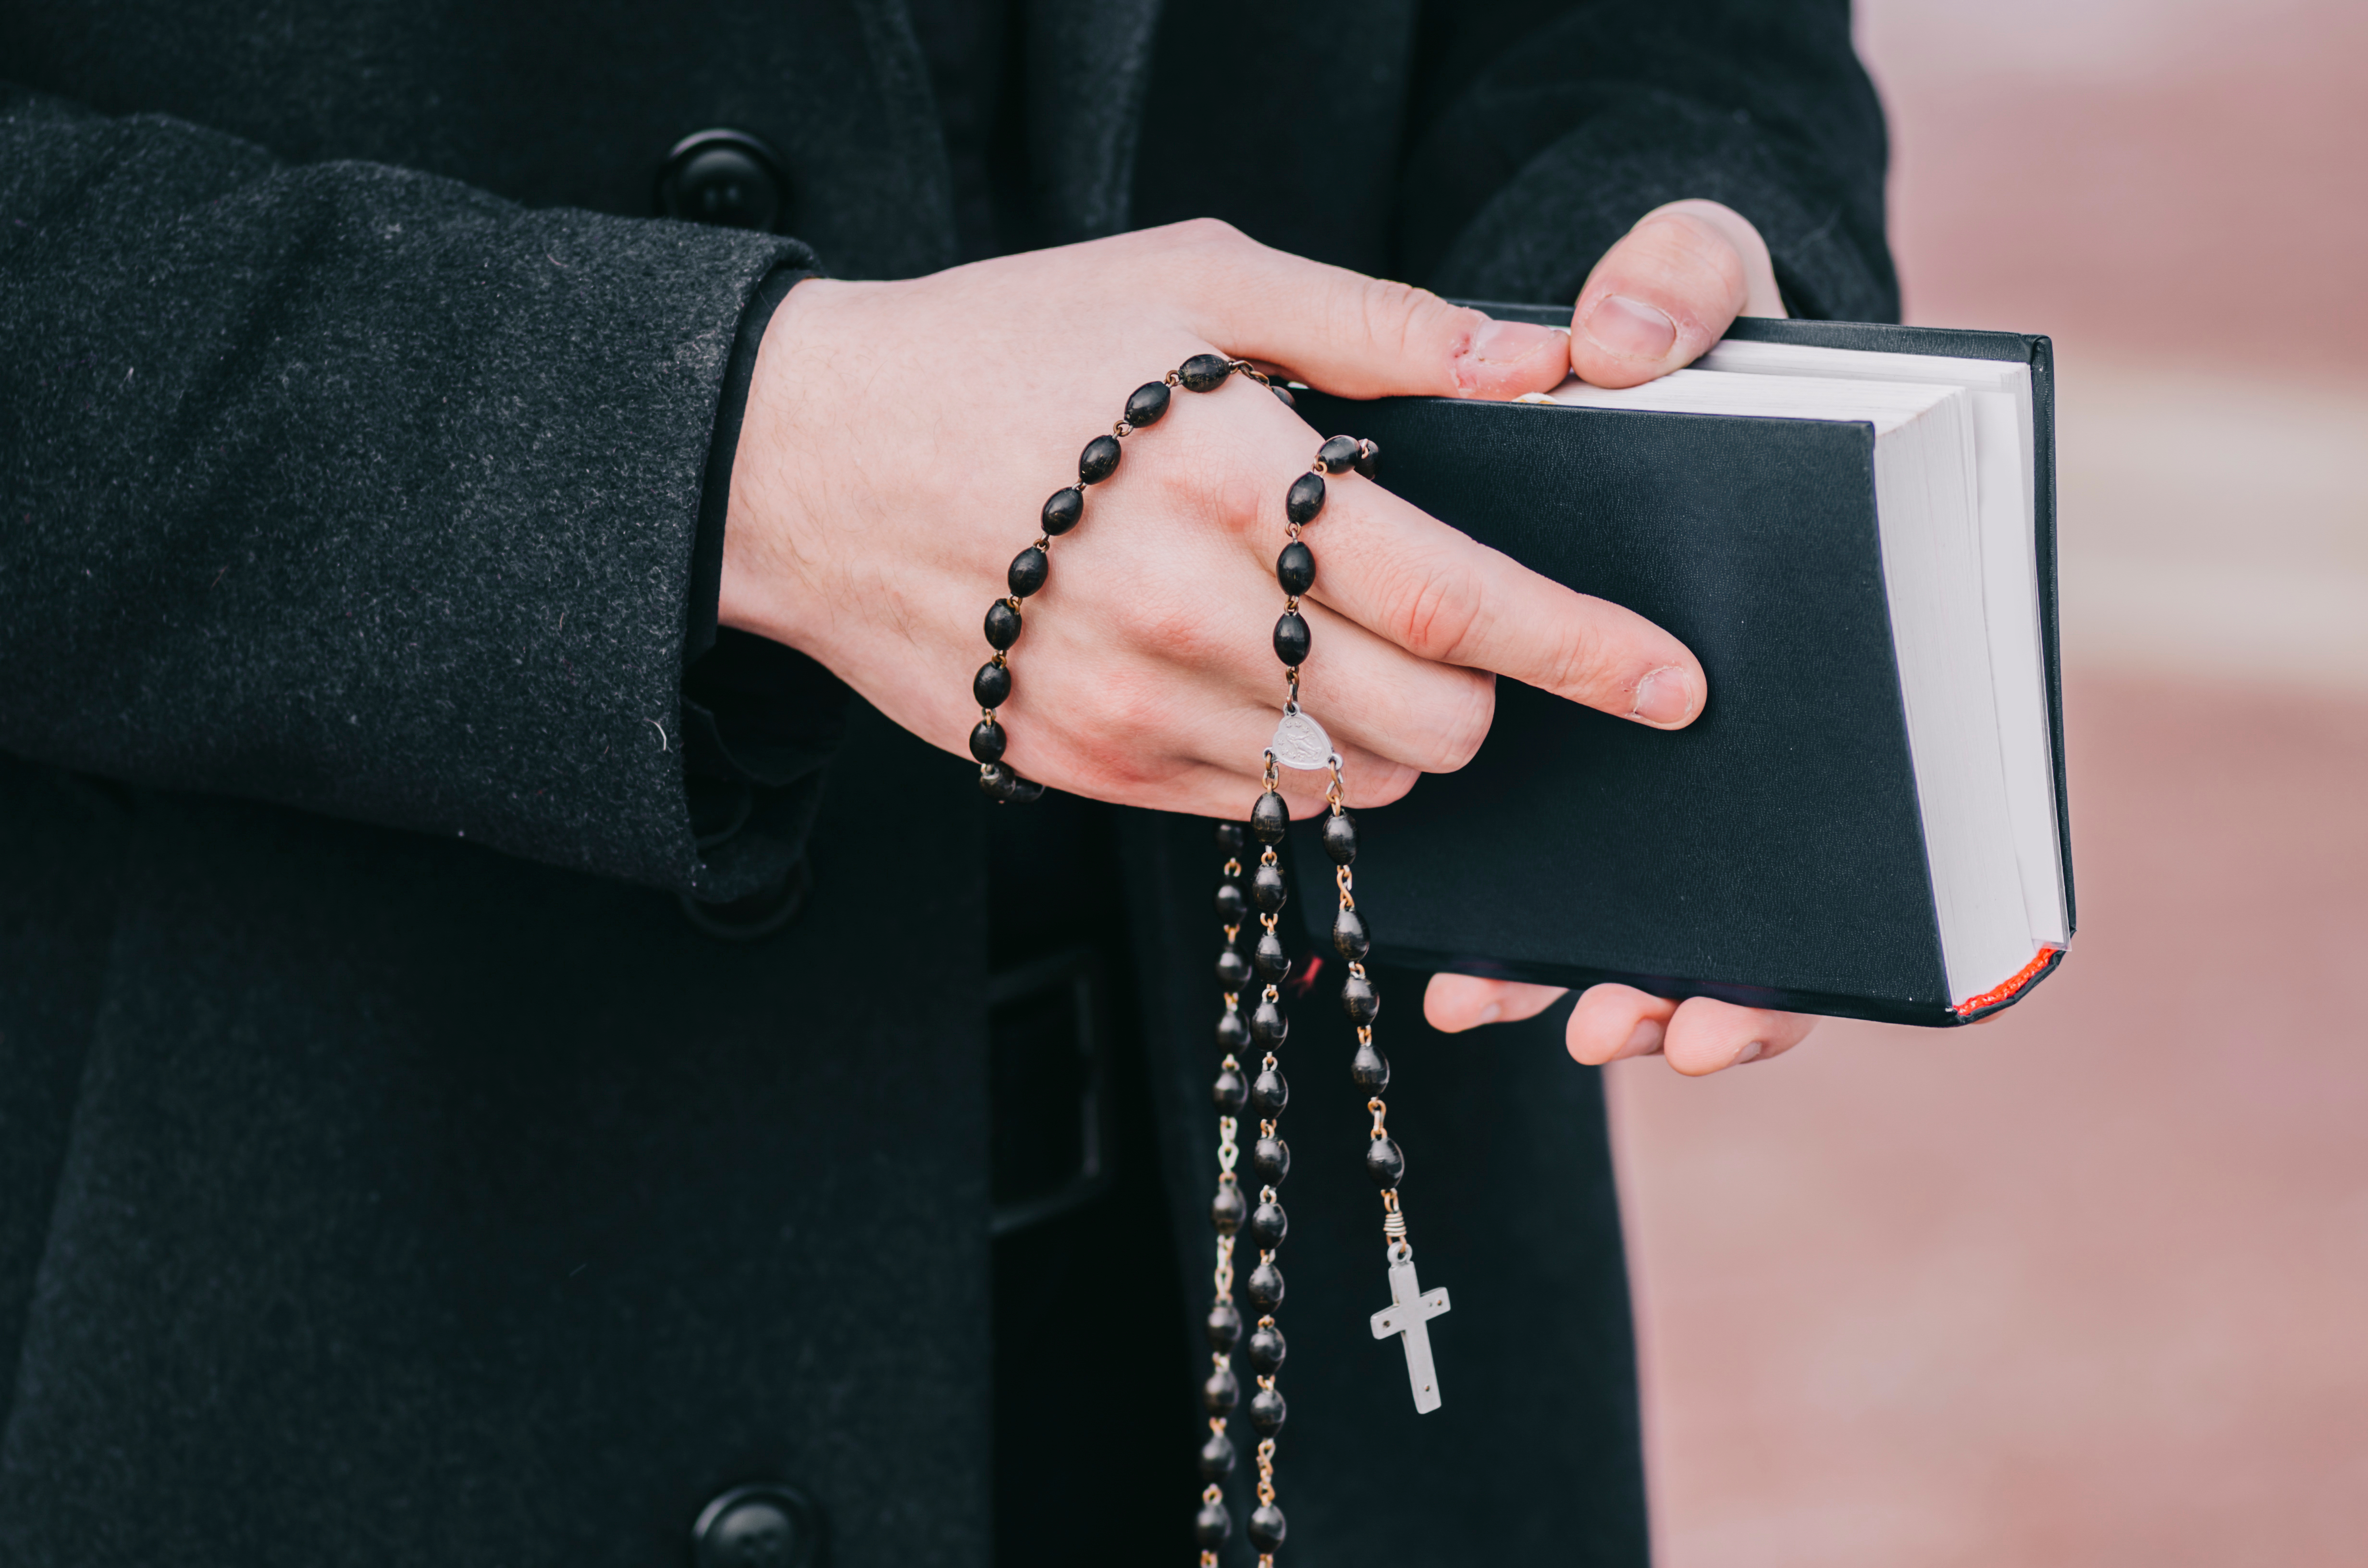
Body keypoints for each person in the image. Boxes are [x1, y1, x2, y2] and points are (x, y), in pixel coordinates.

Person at [0, 2, 1894, 1563]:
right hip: (258, 1282)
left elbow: (1657, 41)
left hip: (1308, 1286)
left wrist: (1645, 336)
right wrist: (716, 446)